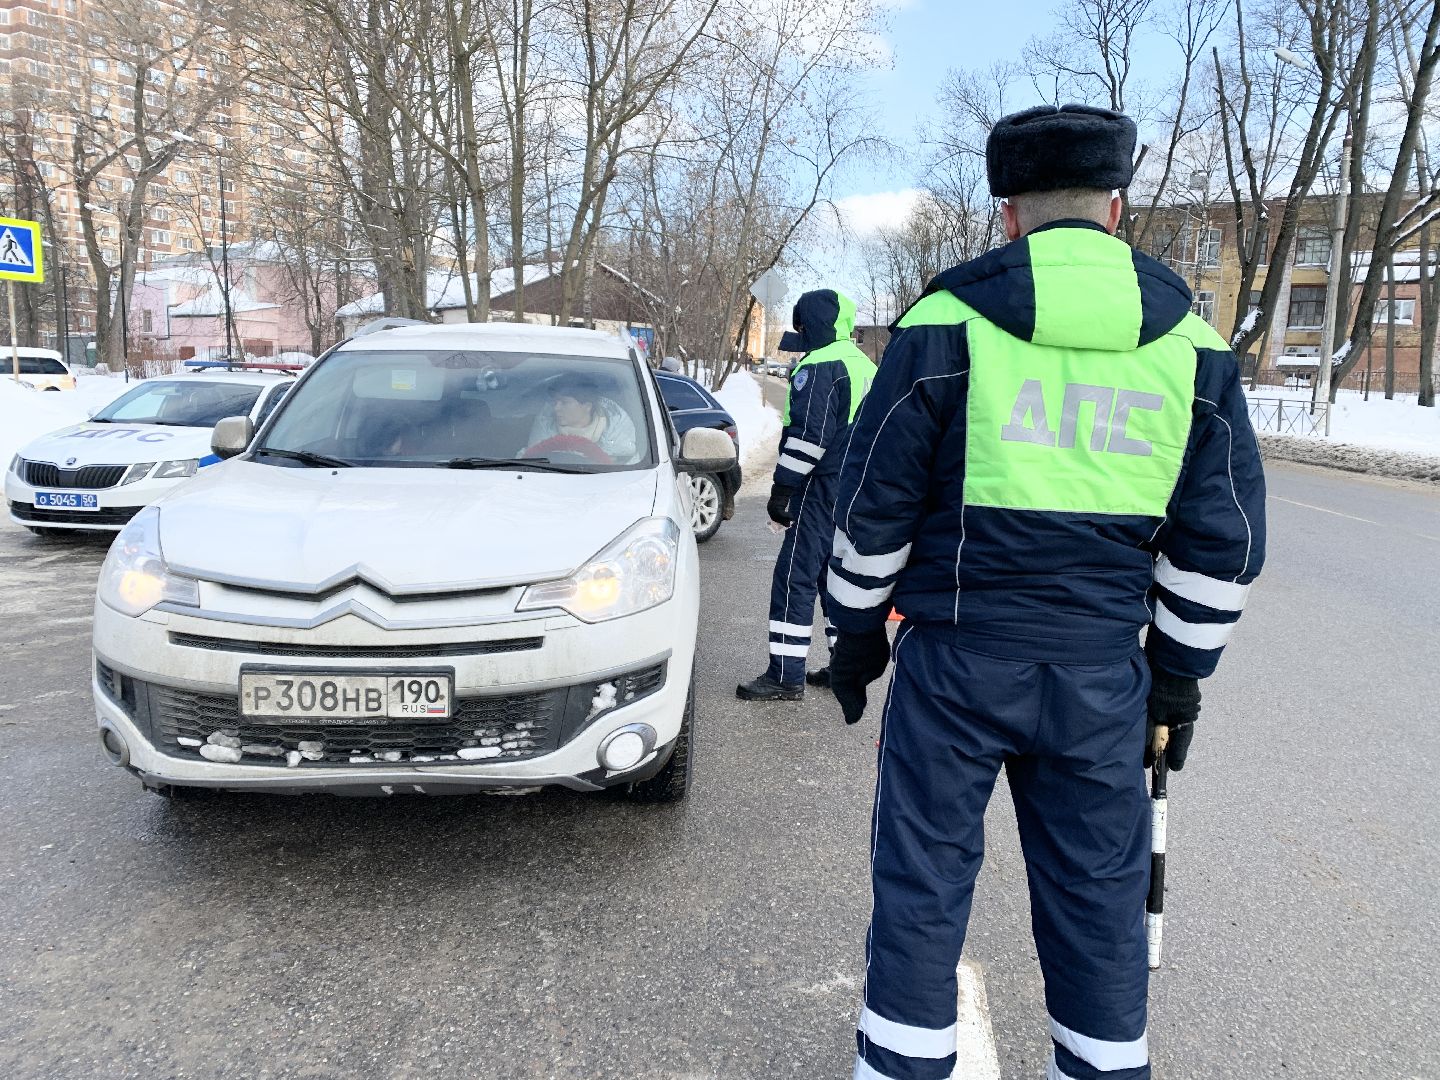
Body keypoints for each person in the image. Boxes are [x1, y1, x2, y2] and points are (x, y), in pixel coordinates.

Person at [825, 104, 1266, 1080]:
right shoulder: (1194, 345)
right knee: (1100, 908)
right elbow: (1223, 542)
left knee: (923, 889)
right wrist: (1177, 679)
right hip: (1101, 679)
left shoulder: (945, 322)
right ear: (1114, 210)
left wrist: (855, 635)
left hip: (953, 666)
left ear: (1009, 217)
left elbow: (871, 512)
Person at [737, 289, 877, 702]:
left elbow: (808, 440)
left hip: (821, 487)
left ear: (810, 324)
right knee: (834, 578)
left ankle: (785, 675)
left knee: (794, 577)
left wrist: (781, 490)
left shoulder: (817, 367)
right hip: (857, 490)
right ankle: (842, 667)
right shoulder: (866, 366)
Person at [526, 372, 637, 462]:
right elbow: (528, 460)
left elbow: (628, 470)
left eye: (564, 403)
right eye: (555, 402)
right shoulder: (544, 427)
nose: (556, 408)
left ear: (587, 406)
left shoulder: (617, 434)